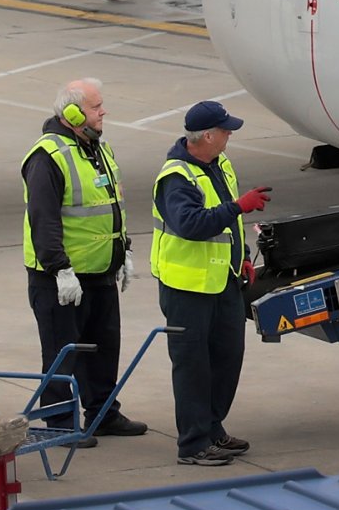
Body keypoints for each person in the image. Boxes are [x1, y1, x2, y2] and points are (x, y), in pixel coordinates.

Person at [20, 78, 147, 440]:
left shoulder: (97, 150)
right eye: (96, 106)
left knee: (103, 350)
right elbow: (43, 220)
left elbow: (111, 206)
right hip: (61, 279)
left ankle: (103, 414)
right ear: (73, 113)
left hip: (100, 273)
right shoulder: (48, 157)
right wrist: (60, 269)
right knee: (62, 355)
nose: (103, 111)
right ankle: (59, 424)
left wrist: (123, 253)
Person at [151, 100, 270, 467]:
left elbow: (229, 230)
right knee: (192, 367)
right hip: (187, 289)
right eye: (225, 130)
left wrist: (244, 257)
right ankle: (193, 443)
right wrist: (239, 206)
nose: (229, 134)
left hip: (224, 282)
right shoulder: (176, 177)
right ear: (207, 136)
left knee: (226, 359)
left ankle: (212, 428)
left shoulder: (219, 164)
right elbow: (191, 225)